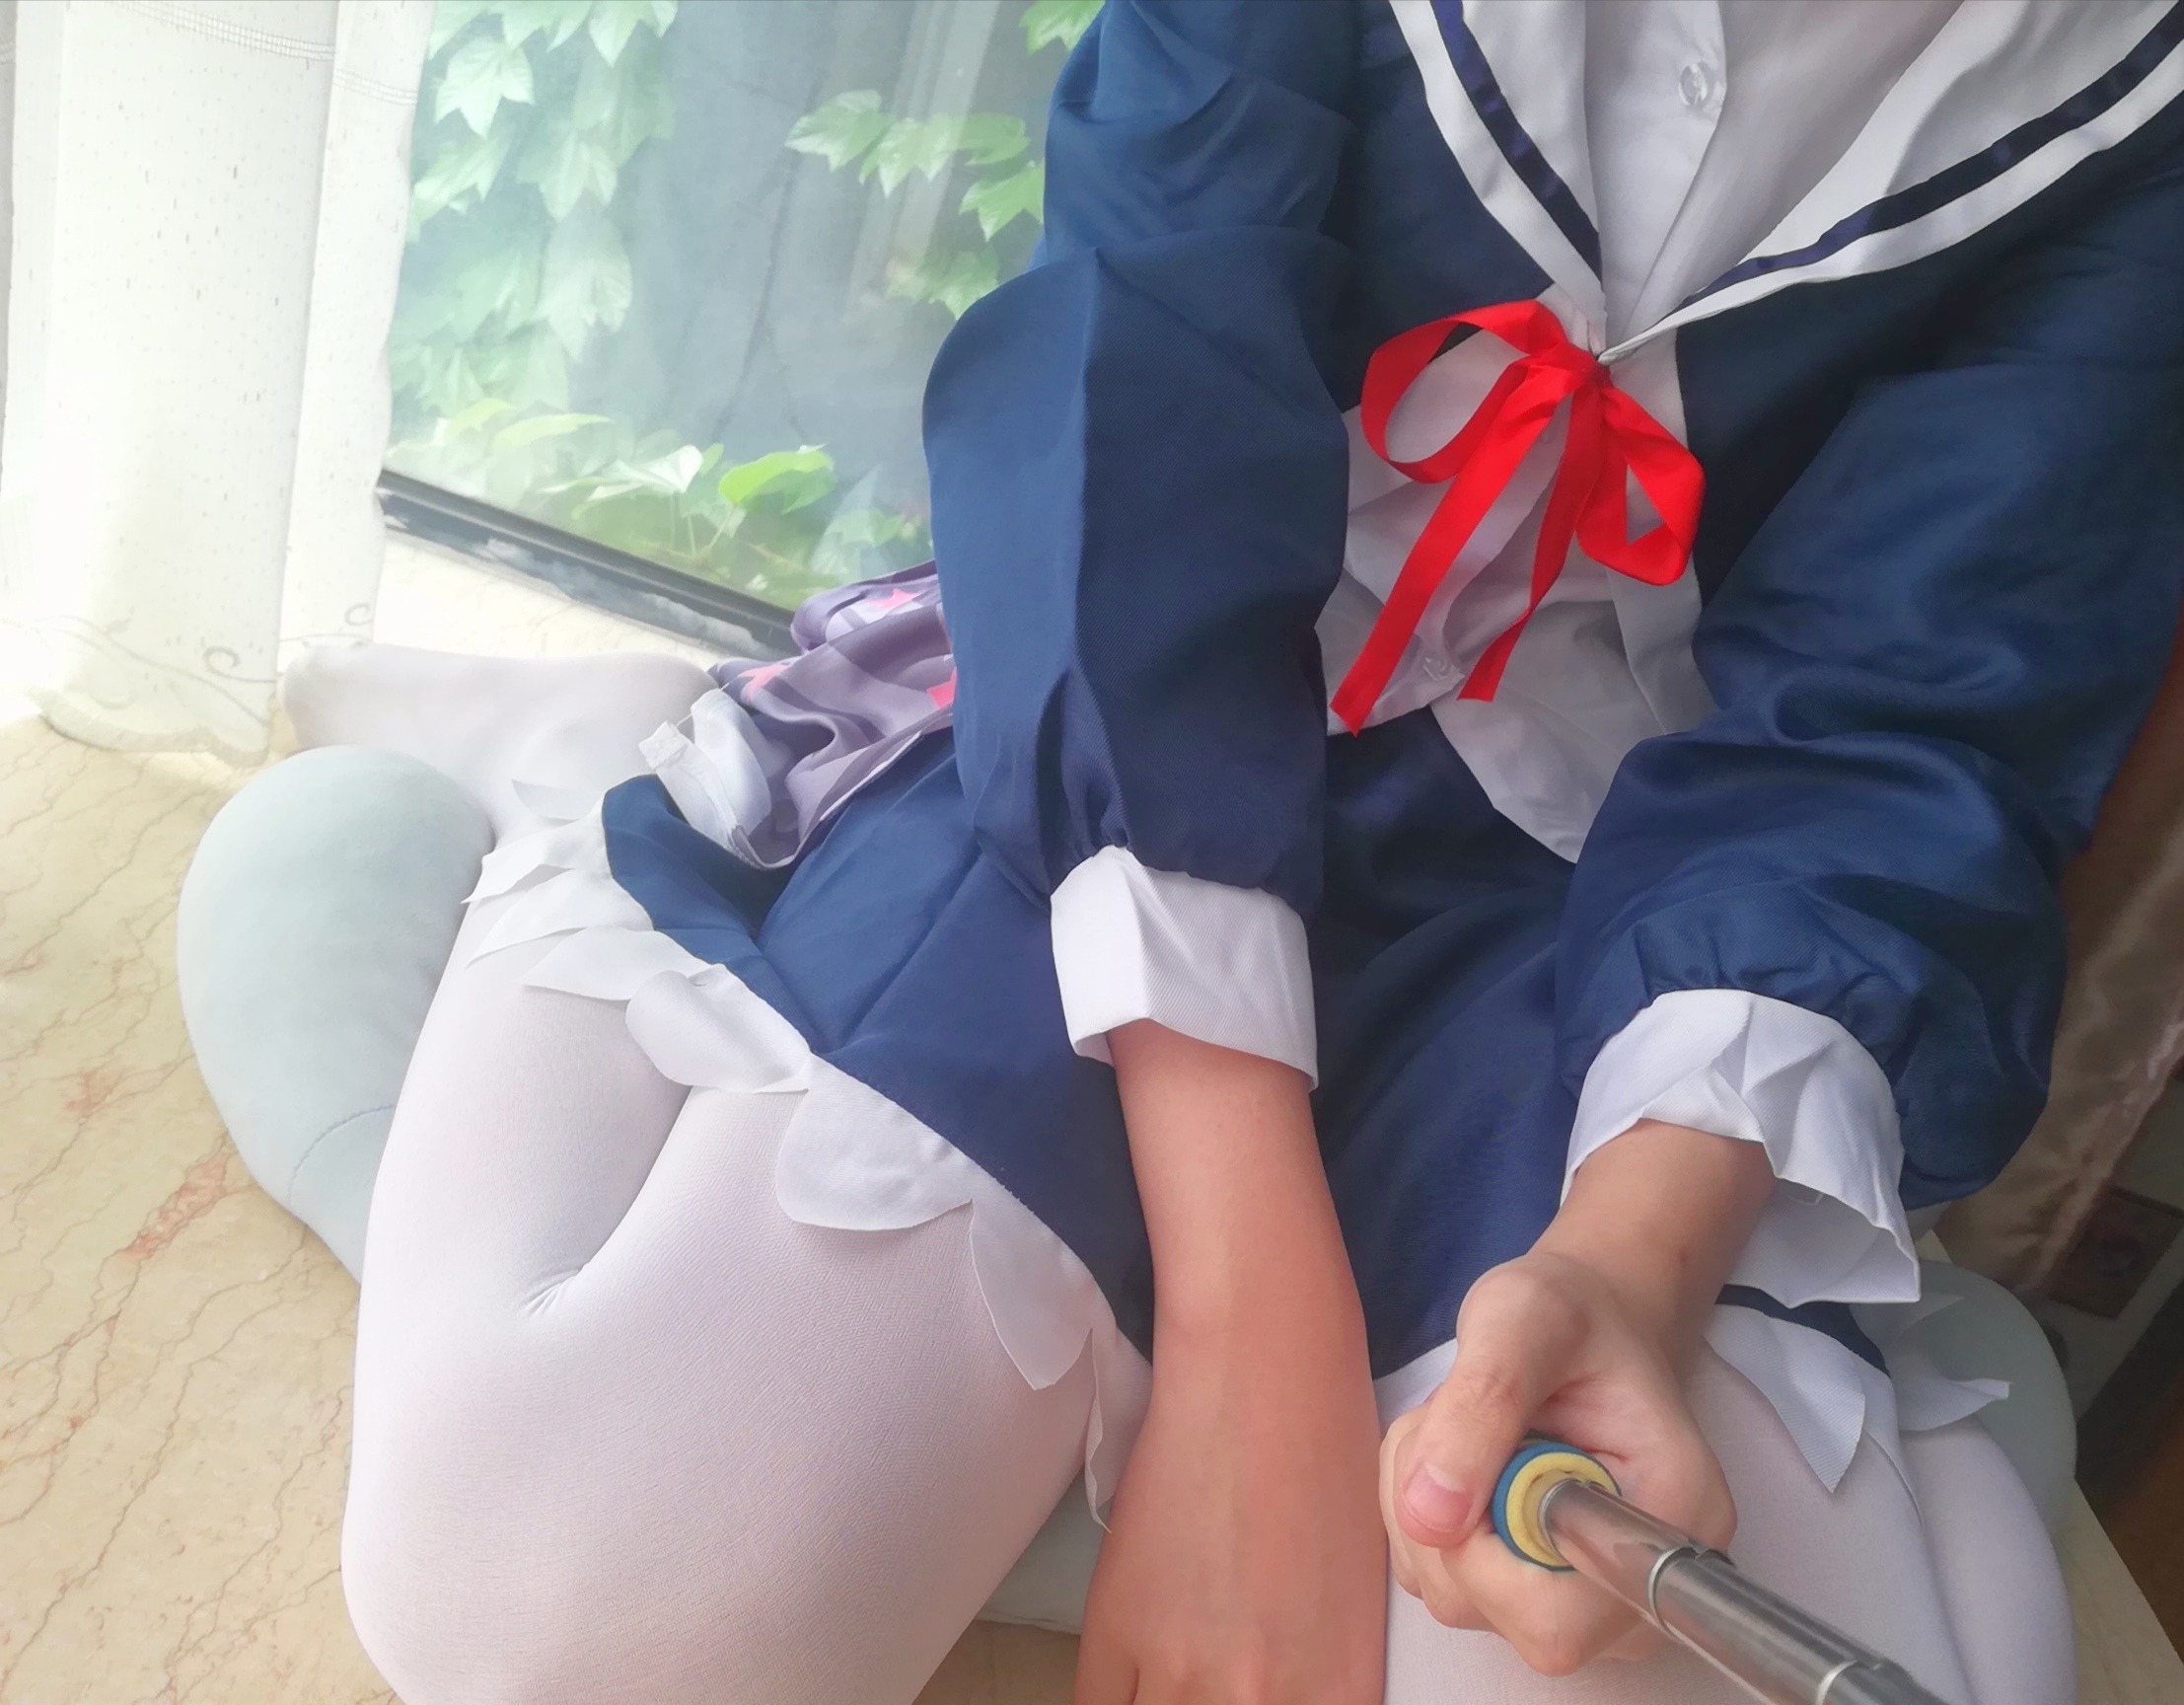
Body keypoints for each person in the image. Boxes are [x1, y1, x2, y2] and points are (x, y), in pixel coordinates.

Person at [225, 3, 2184, 1701]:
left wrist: (1629, 1264)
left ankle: (993, 1439)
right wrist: (1255, 1321)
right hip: (1145, 723)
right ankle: (609, 841)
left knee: (1626, 1632)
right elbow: (1135, 395)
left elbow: (1911, 709)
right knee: (570, 1612)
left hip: (1619, 894)